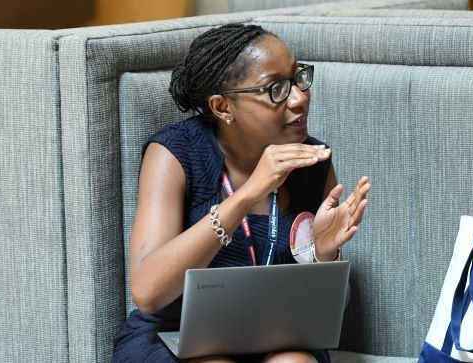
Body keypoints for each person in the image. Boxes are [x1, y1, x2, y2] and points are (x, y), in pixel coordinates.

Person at [112, 23, 371, 363]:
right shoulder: (175, 154)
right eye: (276, 88)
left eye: (297, 78)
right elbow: (147, 292)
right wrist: (246, 196)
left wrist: (323, 256)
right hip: (172, 334)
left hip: (277, 335)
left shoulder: (313, 160)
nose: (298, 97)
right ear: (222, 107)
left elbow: (324, 312)